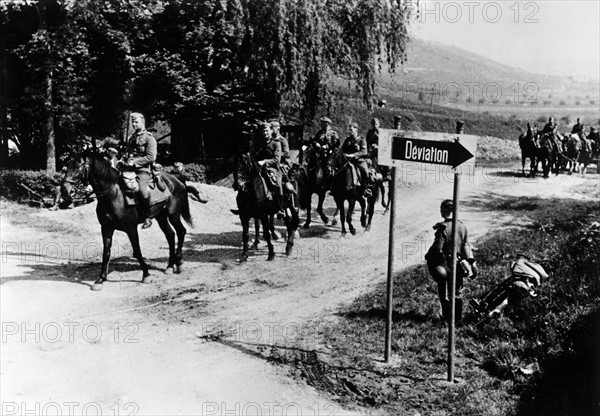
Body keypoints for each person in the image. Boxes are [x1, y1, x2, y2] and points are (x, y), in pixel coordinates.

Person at [425, 199, 477, 324]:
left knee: (444, 291)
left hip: (445, 264)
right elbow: (466, 246)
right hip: (458, 264)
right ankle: (457, 319)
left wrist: (429, 256)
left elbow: (437, 249)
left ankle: (446, 317)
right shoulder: (462, 226)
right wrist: (472, 264)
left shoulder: (443, 228)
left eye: (441, 209)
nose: (440, 211)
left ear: (444, 210)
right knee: (457, 292)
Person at [124, 112, 157, 229]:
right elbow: (128, 153)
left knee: (143, 190)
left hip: (143, 170)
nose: (133, 124)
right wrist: (123, 160)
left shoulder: (149, 138)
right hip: (129, 168)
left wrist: (135, 162)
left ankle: (147, 217)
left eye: (136, 122)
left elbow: (151, 157)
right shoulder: (131, 138)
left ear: (143, 122)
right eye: (132, 122)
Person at [252, 122, 286, 218]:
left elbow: (276, 160)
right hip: (259, 168)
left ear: (271, 131)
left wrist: (264, 162)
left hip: (273, 169)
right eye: (263, 131)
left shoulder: (276, 143)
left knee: (277, 183)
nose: (265, 133)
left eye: (267, 131)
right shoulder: (260, 143)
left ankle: (280, 208)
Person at [339, 122, 373, 197]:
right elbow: (342, 150)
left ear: (356, 130)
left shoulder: (361, 140)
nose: (349, 131)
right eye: (349, 129)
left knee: (365, 171)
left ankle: (366, 188)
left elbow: (364, 151)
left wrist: (353, 155)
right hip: (347, 161)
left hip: (359, 161)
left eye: (351, 129)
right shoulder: (347, 140)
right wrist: (344, 155)